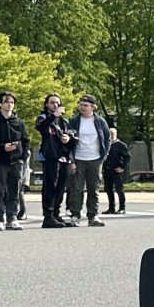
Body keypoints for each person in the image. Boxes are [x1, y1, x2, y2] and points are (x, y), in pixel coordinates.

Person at [0, 91, 29, 231]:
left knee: (14, 191)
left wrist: (23, 157)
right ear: (0, 104)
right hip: (0, 162)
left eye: (12, 102)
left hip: (16, 162)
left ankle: (12, 218)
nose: (9, 105)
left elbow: (25, 141)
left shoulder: (19, 123)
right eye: (6, 102)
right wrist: (3, 147)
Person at [64, 95, 110, 227]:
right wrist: (71, 160)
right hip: (78, 158)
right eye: (81, 105)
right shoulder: (73, 121)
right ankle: (75, 215)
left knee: (93, 189)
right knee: (76, 189)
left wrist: (103, 156)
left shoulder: (100, 122)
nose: (82, 107)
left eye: (86, 105)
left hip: (95, 159)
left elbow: (107, 139)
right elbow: (69, 142)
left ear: (93, 108)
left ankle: (93, 216)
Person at [34, 94, 74, 229]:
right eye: (52, 103)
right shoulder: (43, 117)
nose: (55, 105)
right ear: (46, 104)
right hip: (50, 156)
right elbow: (42, 127)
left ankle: (56, 213)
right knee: (50, 186)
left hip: (63, 157)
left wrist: (68, 138)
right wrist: (53, 116)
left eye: (57, 103)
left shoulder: (64, 121)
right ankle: (48, 216)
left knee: (61, 187)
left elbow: (72, 134)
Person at [103, 127, 130, 215]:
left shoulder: (121, 145)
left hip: (116, 170)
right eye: (109, 134)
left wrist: (122, 167)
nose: (110, 136)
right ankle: (111, 208)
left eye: (112, 134)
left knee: (119, 189)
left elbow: (127, 157)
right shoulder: (106, 144)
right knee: (108, 189)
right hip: (107, 169)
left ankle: (122, 208)